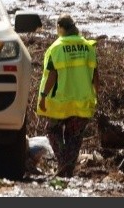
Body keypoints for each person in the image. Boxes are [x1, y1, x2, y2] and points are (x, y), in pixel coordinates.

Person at [36, 13, 99, 178]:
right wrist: (96, 97)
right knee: (75, 138)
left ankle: (63, 164)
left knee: (52, 130)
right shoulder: (88, 47)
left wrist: (43, 97)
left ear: (60, 28)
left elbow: (52, 75)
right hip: (82, 101)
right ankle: (67, 171)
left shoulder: (56, 48)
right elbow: (95, 76)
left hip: (59, 102)